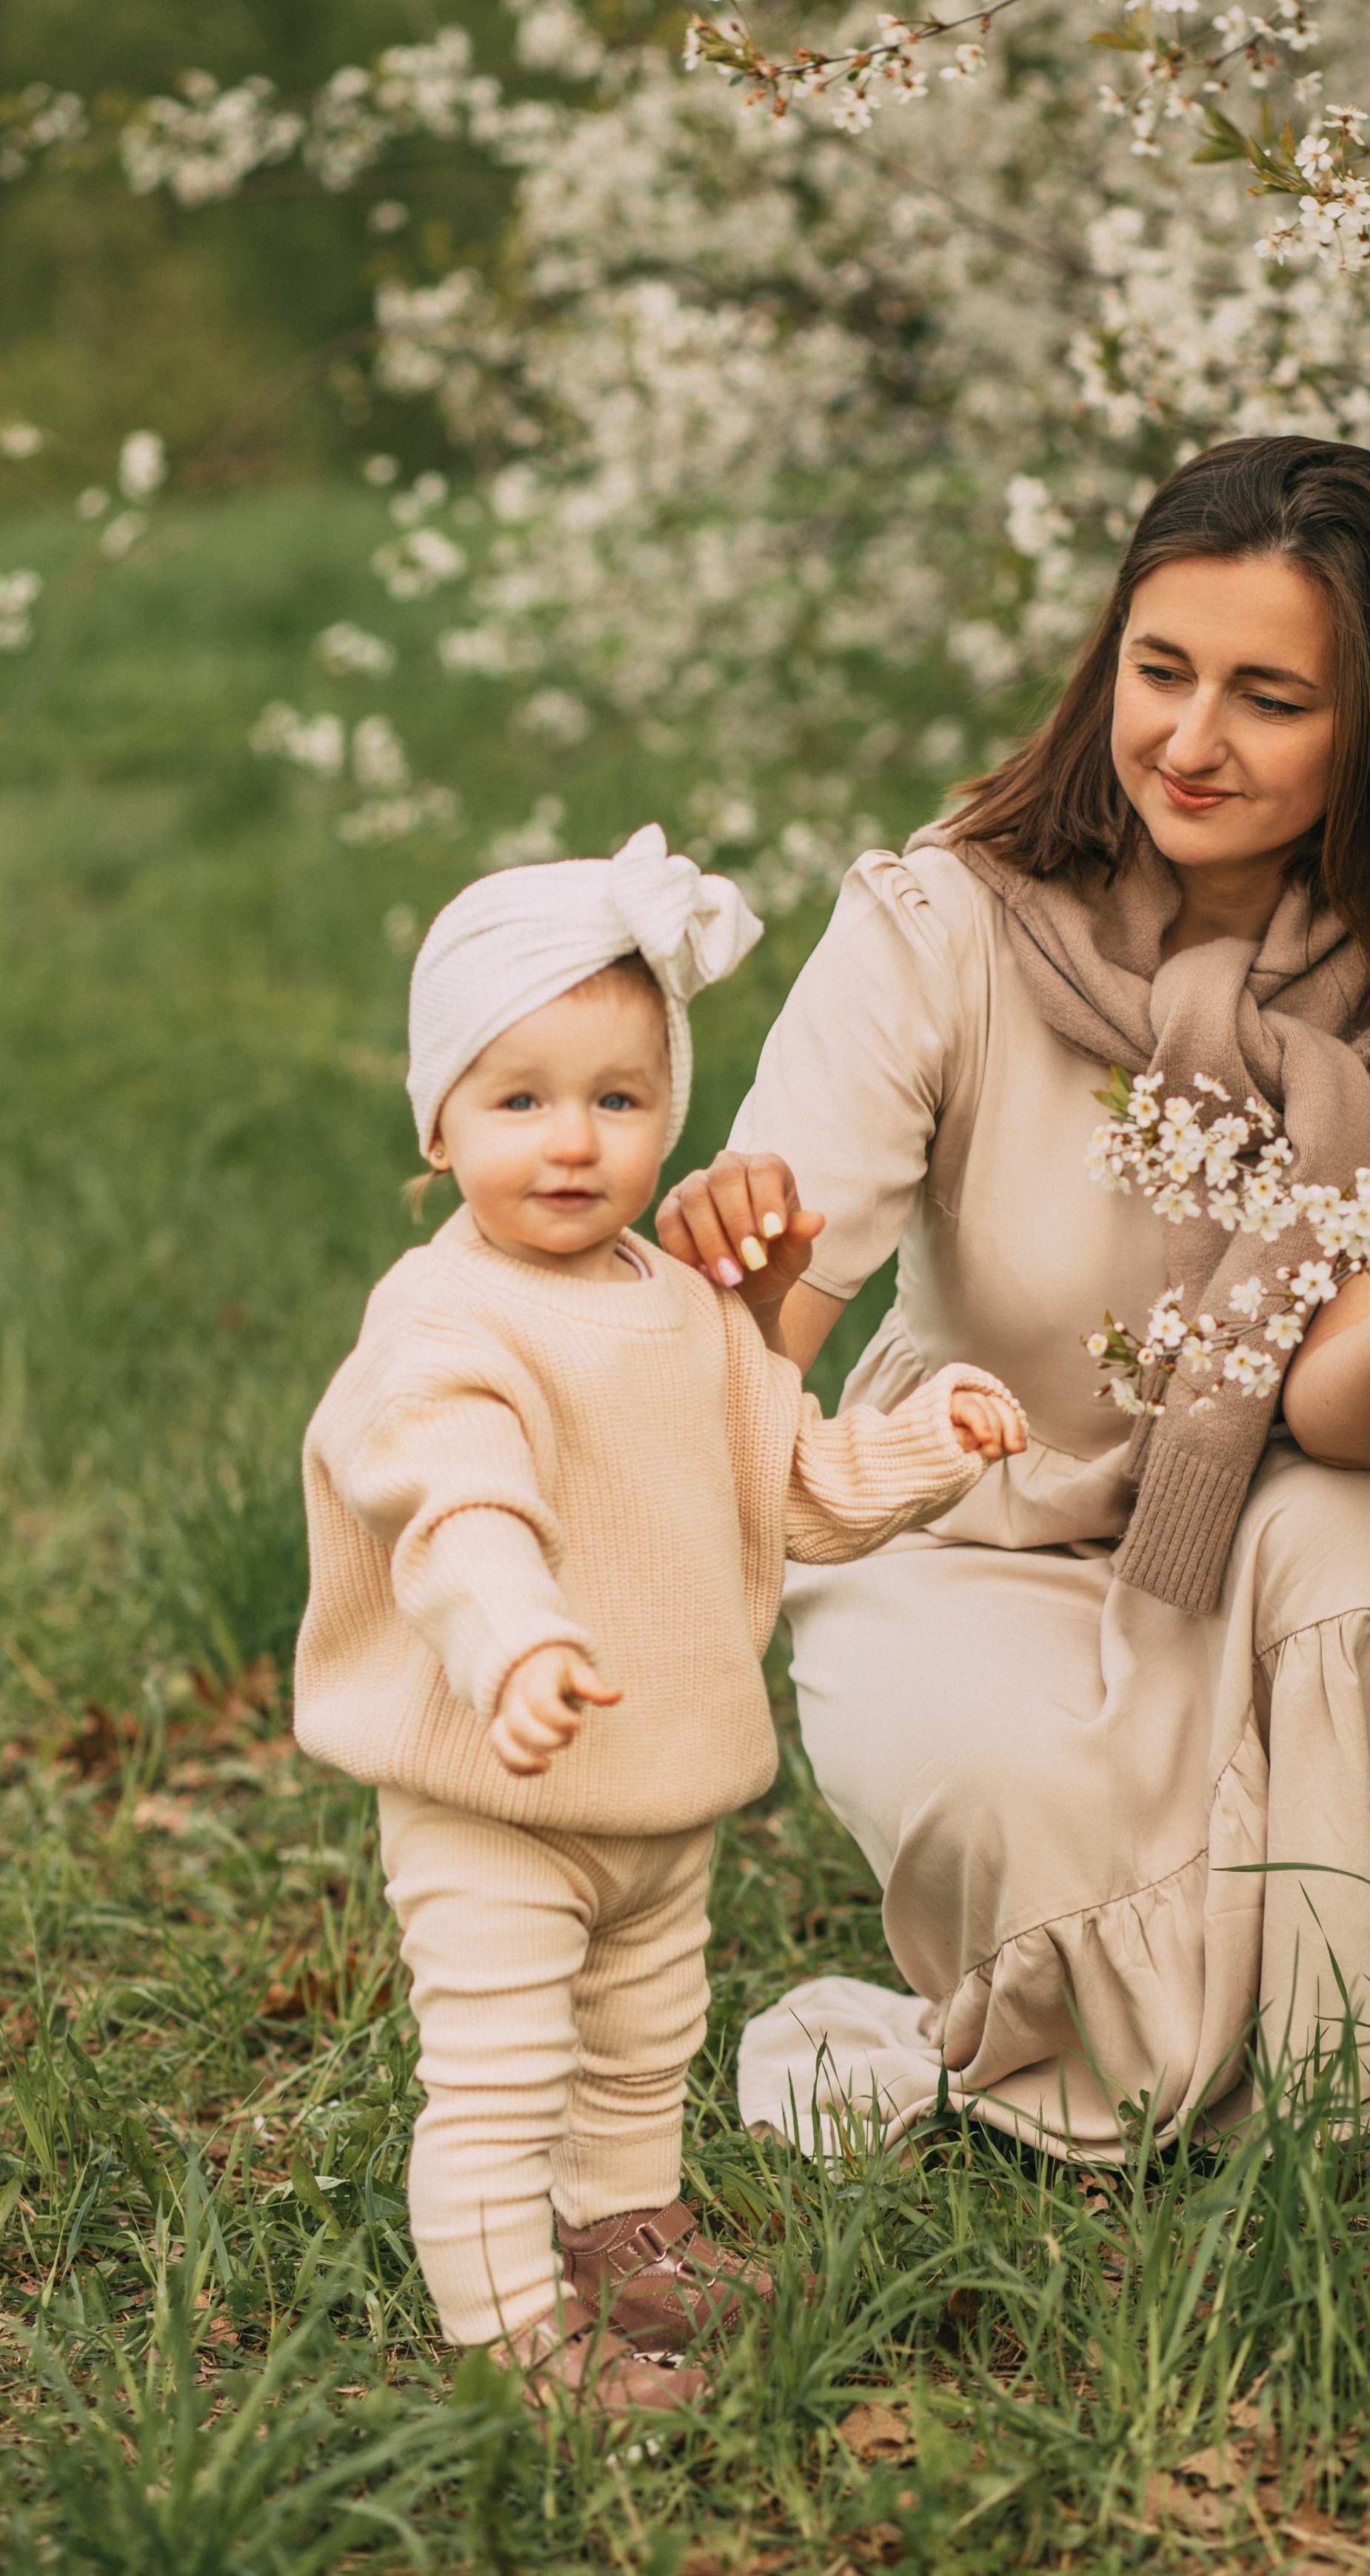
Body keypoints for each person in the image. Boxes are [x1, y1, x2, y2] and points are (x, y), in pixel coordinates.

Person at [656, 436, 1370, 2164]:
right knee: (1026, 1803)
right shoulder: (945, 920)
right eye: (1158, 672)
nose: (1187, 740)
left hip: (1336, 1492)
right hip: (975, 1515)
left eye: (1268, 697)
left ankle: (1331, 2089)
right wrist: (736, 1286)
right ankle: (1315, 2006)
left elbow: (1333, 1409)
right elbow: (772, 1327)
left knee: (1349, 1577)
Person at [293, 826, 1026, 2414]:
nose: (572, 1141)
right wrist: (514, 1642)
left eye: (616, 1101)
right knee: (496, 2084)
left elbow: (794, 1482)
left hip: (662, 1786)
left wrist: (925, 1442)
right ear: (438, 1121)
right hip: (498, 1791)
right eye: (519, 1101)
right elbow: (453, 1500)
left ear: (666, 1114)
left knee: (637, 2046)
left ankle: (625, 2236)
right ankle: (517, 2351)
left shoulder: (683, 1308)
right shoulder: (446, 1319)